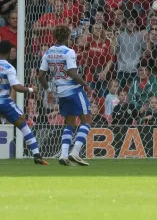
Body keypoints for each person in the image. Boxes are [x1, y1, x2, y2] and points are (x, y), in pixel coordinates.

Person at [38, 24, 93, 167]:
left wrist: (48, 89)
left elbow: (41, 76)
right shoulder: (69, 52)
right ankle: (75, 153)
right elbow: (72, 73)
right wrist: (86, 85)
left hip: (61, 93)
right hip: (74, 90)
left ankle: (63, 155)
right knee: (86, 121)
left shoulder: (48, 53)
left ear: (54, 36)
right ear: (68, 36)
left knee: (70, 123)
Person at [0, 40, 48, 165]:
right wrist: (31, 89)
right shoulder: (8, 67)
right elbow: (15, 86)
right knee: (23, 125)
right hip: (4, 102)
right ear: (8, 52)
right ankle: (37, 154)